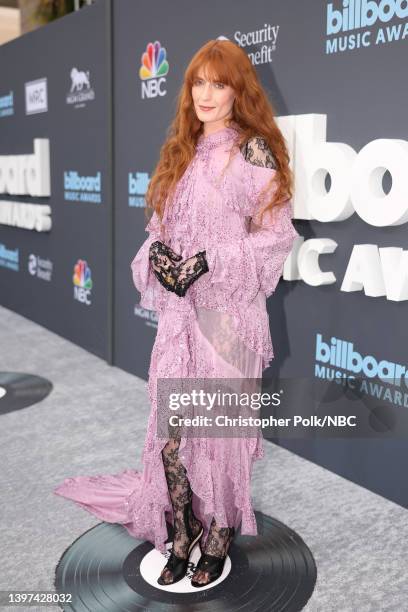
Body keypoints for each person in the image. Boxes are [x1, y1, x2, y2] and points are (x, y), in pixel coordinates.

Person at [54, 39, 300, 588]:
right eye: (198, 83)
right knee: (173, 431)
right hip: (180, 319)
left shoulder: (254, 152)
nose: (206, 94)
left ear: (240, 90)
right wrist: (161, 257)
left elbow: (275, 239)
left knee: (218, 431)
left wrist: (209, 259)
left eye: (219, 83)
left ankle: (217, 533)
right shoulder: (181, 153)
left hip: (229, 318)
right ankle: (182, 528)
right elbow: (159, 232)